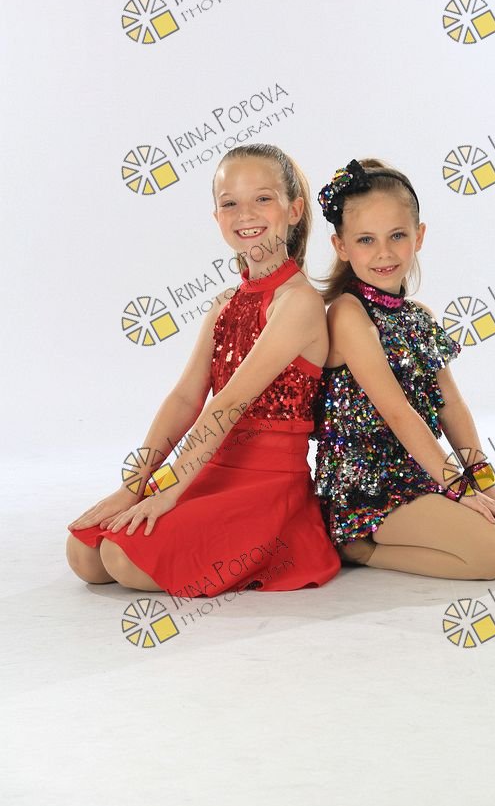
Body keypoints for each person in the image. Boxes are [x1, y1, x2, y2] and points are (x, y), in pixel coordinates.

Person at [66, 144, 341, 597]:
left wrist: (170, 491)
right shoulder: (224, 304)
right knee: (84, 555)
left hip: (267, 487)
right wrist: (135, 485)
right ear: (216, 217)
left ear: (293, 210)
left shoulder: (299, 303)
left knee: (122, 559)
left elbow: (229, 403)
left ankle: (274, 544)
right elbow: (185, 398)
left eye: (263, 198)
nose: (245, 214)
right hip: (212, 466)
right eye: (230, 203)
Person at [311, 157, 495, 579]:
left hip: (423, 471)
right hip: (367, 488)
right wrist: (458, 488)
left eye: (397, 235)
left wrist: (482, 481)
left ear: (418, 236)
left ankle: (437, 516)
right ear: (341, 246)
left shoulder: (418, 316)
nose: (384, 252)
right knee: (494, 549)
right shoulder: (348, 314)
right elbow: (397, 411)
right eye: (365, 240)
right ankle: (359, 549)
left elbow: (450, 404)